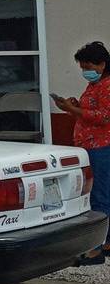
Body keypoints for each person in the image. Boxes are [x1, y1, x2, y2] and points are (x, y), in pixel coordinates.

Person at [55, 41, 110, 264]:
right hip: (89, 145)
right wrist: (73, 106)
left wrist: (73, 109)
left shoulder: (107, 86)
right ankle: (105, 242)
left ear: (101, 64)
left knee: (99, 195)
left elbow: (103, 117)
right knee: (100, 193)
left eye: (88, 66)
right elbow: (89, 111)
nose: (85, 71)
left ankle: (95, 249)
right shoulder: (95, 86)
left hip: (101, 147)